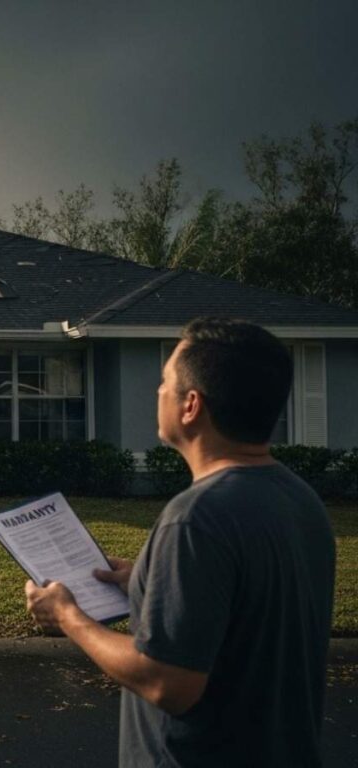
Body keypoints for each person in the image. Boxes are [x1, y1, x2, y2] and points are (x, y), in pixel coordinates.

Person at [25, 317, 336, 767]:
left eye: (165, 381)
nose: (157, 392)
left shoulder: (194, 520)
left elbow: (167, 684)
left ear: (191, 405)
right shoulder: (300, 499)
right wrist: (144, 582)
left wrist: (68, 616)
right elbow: (248, 609)